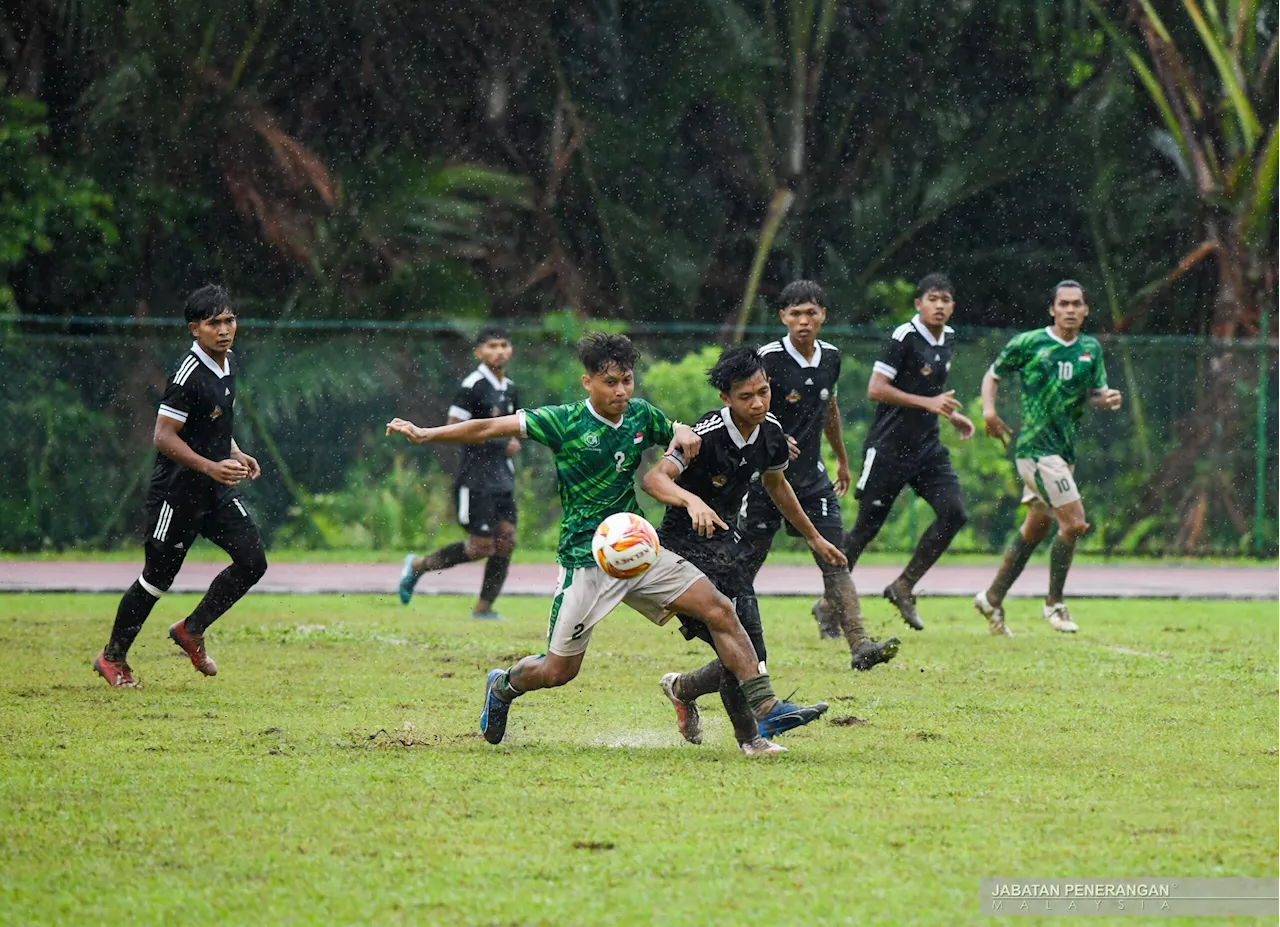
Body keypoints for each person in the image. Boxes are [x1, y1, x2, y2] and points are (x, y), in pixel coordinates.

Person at [386, 332, 828, 745]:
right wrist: (427, 434)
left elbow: (671, 436)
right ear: (589, 382)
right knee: (559, 670)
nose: (621, 391)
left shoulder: (640, 415)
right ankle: (503, 687)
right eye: (610, 382)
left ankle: (766, 707)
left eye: (627, 381)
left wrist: (677, 429)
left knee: (721, 610)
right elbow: (488, 428)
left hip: (638, 548)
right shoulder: (563, 421)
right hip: (586, 558)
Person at [641, 347, 845, 756]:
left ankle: (684, 690)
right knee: (738, 647)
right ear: (726, 399)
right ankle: (752, 736)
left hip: (726, 546)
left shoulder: (770, 430)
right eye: (746, 396)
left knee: (749, 649)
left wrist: (813, 537)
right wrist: (691, 501)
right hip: (682, 551)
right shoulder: (705, 434)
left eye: (764, 392)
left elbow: (777, 486)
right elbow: (654, 479)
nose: (758, 403)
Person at [93, 285, 268, 687]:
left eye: (229, 320)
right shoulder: (187, 374)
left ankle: (191, 630)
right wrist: (212, 466)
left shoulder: (229, 363)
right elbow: (164, 436)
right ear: (195, 329)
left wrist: (236, 452)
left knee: (252, 562)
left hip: (215, 490)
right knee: (157, 580)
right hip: (178, 495)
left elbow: (216, 419)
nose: (224, 330)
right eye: (214, 323)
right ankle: (112, 657)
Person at [974, 280, 1123, 635]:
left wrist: (1107, 400)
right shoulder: (1030, 343)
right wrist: (990, 413)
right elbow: (992, 375)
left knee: (1036, 528)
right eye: (1063, 304)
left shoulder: (1090, 349)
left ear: (1085, 310)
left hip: (1063, 451)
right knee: (1074, 524)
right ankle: (1054, 603)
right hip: (1035, 450)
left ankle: (991, 598)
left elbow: (1094, 394)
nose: (1070, 310)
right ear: (1052, 309)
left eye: (1077, 304)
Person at [842, 273, 975, 631]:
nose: (940, 305)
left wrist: (953, 415)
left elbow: (929, 392)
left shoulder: (948, 338)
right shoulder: (903, 337)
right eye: (933, 298)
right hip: (888, 448)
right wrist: (929, 403)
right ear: (919, 304)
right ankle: (830, 602)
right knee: (866, 529)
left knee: (954, 513)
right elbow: (876, 388)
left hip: (927, 450)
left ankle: (903, 586)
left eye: (946, 300)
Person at [399, 326, 520, 619]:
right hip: (475, 478)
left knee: (506, 541)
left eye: (504, 344)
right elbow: (454, 428)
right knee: (481, 546)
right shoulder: (472, 386)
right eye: (492, 346)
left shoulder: (511, 388)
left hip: (503, 476)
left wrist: (516, 439)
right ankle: (418, 565)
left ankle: (483, 609)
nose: (499, 351)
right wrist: (497, 440)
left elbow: (518, 424)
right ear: (478, 352)